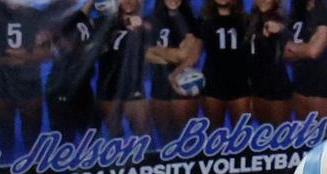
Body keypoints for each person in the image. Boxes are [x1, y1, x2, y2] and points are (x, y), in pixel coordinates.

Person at [0, 0, 50, 152]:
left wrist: (28, 57)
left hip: (29, 83)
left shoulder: (38, 16)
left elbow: (48, 52)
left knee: (32, 139)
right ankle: (6, 172)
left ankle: (33, 171)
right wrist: (4, 60)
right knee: (4, 139)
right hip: (1, 84)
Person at [145, 0, 200, 143]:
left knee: (187, 141)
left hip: (184, 85)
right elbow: (144, 54)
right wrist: (173, 55)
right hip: (159, 86)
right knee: (165, 141)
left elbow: (186, 55)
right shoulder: (150, 20)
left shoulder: (193, 21)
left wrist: (156, 51)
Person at [44, 0, 98, 143]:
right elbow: (62, 45)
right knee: (65, 138)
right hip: (62, 86)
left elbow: (84, 10)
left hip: (83, 85)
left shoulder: (80, 16)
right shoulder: (55, 15)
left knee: (91, 134)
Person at [96, 0, 151, 138]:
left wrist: (142, 26)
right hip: (107, 86)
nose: (127, 1)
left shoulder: (148, 23)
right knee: (114, 137)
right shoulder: (102, 23)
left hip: (134, 87)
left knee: (143, 136)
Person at [284, 0, 327, 133]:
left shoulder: (324, 11)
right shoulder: (295, 13)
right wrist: (305, 49)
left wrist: (294, 48)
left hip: (321, 86)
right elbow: (282, 51)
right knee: (305, 138)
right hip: (298, 85)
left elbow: (314, 52)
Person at [196, 0, 249, 129]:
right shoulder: (203, 21)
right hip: (212, 85)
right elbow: (193, 53)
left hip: (240, 86)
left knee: (241, 136)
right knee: (214, 137)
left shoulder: (246, 21)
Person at [246, 0, 292, 126]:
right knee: (264, 136)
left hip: (277, 88)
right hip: (257, 88)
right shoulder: (252, 18)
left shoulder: (281, 17)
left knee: (281, 137)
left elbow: (290, 38)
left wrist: (281, 29)